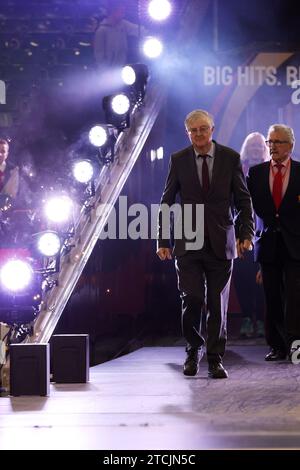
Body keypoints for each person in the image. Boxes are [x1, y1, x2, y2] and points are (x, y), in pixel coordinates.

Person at [156, 109, 254, 379]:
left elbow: (244, 201)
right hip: (188, 242)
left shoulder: (230, 158)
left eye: (203, 129)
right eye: (193, 130)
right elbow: (166, 202)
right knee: (193, 298)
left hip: (222, 242)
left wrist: (246, 233)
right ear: (188, 133)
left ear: (212, 129)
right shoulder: (179, 160)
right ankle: (192, 349)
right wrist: (163, 239)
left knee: (217, 303)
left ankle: (214, 358)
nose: (198, 134)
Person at [247, 124, 300, 362]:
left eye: (278, 142)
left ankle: (296, 344)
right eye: (270, 142)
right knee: (272, 297)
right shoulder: (256, 173)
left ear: (290, 145)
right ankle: (277, 346)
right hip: (267, 244)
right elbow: (248, 210)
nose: (273, 147)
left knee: (295, 296)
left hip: (295, 245)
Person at [234, 132, 269, 338]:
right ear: (246, 149)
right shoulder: (237, 170)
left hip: (264, 231)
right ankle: (247, 317)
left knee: (263, 277)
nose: (256, 150)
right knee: (243, 275)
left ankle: (262, 320)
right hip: (241, 231)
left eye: (259, 146)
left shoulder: (270, 170)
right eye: (252, 146)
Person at [94, 1, 143, 71]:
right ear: (114, 11)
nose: (123, 12)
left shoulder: (123, 25)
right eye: (121, 10)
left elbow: (138, 30)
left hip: (121, 70)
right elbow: (99, 56)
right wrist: (105, 72)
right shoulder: (102, 31)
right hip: (108, 72)